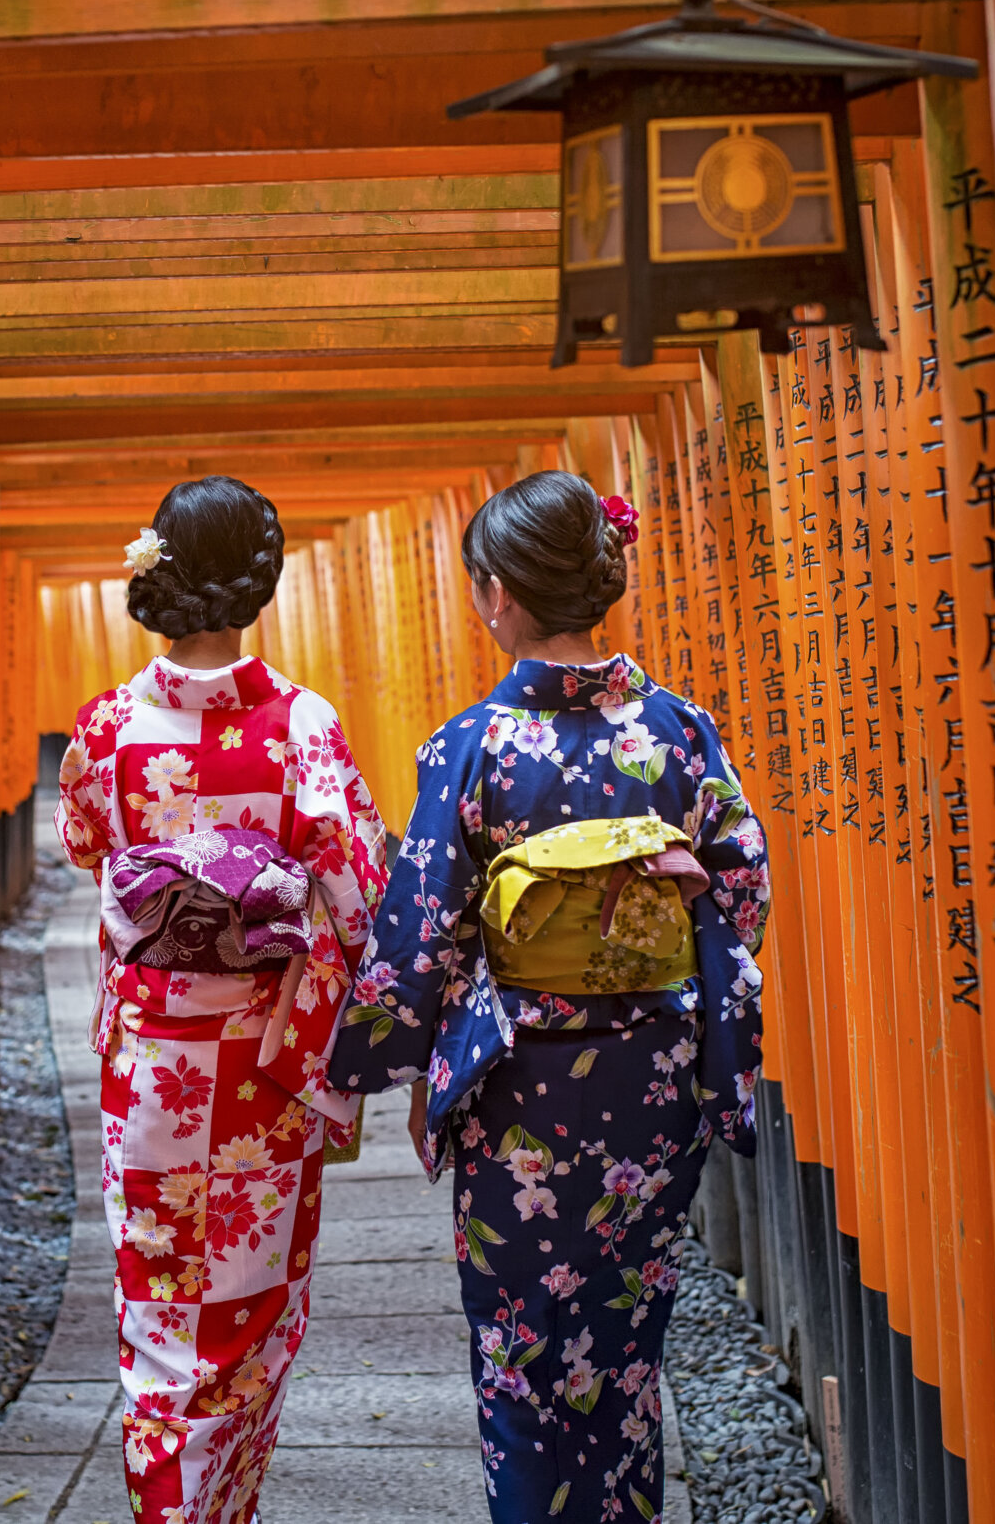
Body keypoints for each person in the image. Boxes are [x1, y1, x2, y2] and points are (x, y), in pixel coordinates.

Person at [328, 469, 769, 1524]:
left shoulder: (471, 746)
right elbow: (740, 882)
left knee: (523, 1346)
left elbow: (421, 930)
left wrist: (366, 1060)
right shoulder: (676, 729)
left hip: (519, 1077)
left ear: (498, 594)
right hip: (651, 1070)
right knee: (624, 1339)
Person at [55, 476, 389, 1524]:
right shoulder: (302, 726)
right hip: (261, 1064)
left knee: (158, 1316)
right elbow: (354, 884)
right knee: (249, 1315)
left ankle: (172, 1506)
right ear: (263, 575)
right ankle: (220, 1509)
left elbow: (85, 850)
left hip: (150, 1060)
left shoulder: (107, 726)